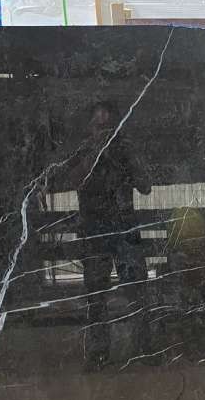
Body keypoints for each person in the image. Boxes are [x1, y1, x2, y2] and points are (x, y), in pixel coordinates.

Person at [59, 101, 154, 371]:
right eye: (97, 124)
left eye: (108, 125)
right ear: (89, 127)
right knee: (95, 295)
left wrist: (124, 156)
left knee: (136, 290)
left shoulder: (125, 150)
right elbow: (71, 180)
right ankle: (99, 353)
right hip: (94, 231)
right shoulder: (83, 150)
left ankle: (144, 348)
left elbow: (145, 185)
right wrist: (94, 153)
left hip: (124, 229)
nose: (102, 129)